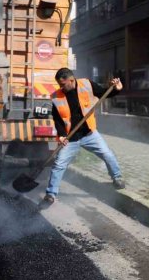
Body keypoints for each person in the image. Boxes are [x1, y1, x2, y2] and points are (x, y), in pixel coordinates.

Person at [39, 68, 125, 210]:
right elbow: (57, 119)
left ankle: (117, 178)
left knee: (107, 153)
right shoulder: (56, 97)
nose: (61, 88)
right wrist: (60, 135)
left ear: (71, 80)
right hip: (70, 138)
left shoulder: (87, 84)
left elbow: (104, 93)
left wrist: (116, 89)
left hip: (89, 134)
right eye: (59, 85)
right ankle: (50, 195)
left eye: (63, 84)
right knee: (59, 165)